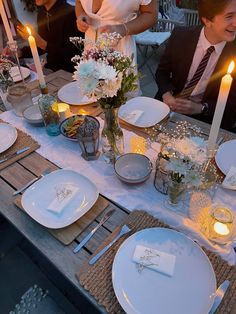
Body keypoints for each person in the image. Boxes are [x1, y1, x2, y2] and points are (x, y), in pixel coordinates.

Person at [155, 0, 236, 132]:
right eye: (229, 16)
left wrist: (201, 108)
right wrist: (166, 94)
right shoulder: (181, 36)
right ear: (207, 20)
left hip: (207, 119)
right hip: (168, 107)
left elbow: (233, 102)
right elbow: (162, 72)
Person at [75, 0, 157, 63]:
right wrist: (81, 15)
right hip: (90, 45)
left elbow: (151, 14)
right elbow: (79, 2)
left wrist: (123, 29)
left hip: (119, 46)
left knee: (117, 84)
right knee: (90, 82)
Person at [18, 0, 83, 72]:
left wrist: (42, 43)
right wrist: (20, 52)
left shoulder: (70, 13)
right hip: (51, 69)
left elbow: (73, 55)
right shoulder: (42, 13)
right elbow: (42, 48)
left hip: (71, 72)